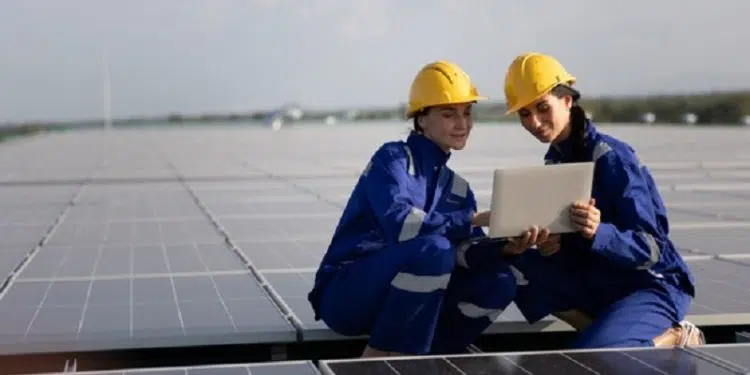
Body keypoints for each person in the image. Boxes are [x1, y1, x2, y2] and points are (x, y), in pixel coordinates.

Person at [307, 60, 537, 357]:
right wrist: (473, 218)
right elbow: (402, 226)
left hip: (407, 303)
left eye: (467, 113)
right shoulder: (392, 160)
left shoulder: (458, 189)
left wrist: (507, 246)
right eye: (448, 113)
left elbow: (465, 252)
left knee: (501, 281)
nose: (462, 123)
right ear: (421, 119)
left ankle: (431, 357)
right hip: (348, 296)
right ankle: (378, 362)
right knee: (435, 250)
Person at [501, 52, 705, 348]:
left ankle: (674, 336)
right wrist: (550, 247)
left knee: (595, 359)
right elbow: (571, 253)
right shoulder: (556, 163)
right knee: (512, 264)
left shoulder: (612, 158)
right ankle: (604, 331)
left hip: (648, 285)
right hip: (599, 281)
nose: (534, 122)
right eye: (524, 114)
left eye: (542, 108)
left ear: (567, 100)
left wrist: (600, 231)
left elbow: (652, 248)